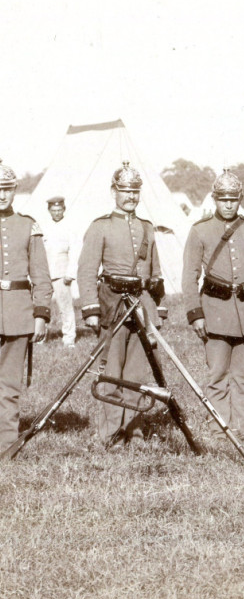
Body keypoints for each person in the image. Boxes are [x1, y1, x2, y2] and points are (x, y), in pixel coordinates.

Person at [182, 169, 244, 444]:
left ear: (240, 199)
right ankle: (220, 429)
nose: (228, 204)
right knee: (217, 374)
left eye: (233, 199)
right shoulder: (200, 230)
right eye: (223, 199)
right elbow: (189, 276)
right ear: (214, 199)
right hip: (214, 312)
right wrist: (195, 314)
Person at [78, 162, 167, 444]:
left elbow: (154, 272)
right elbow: (86, 270)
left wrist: (158, 309)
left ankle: (135, 430)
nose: (130, 196)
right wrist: (91, 309)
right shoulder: (100, 226)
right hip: (112, 306)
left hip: (141, 307)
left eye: (135, 191)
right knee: (112, 372)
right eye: (125, 190)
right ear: (113, 192)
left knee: (137, 373)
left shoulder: (146, 228)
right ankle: (112, 434)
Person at [0, 161, 51, 453]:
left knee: (9, 385)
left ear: (14, 191)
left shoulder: (28, 225)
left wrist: (41, 314)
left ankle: (6, 444)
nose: (1, 195)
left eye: (6, 189)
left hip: (19, 314)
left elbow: (41, 276)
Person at [39, 195, 79, 347]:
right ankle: (40, 336)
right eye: (53, 210)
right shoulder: (43, 227)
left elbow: (75, 251)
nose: (56, 213)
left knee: (65, 307)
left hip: (62, 273)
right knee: (41, 306)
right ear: (49, 210)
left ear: (64, 209)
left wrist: (70, 273)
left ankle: (69, 338)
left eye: (59, 209)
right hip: (44, 273)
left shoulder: (70, 227)